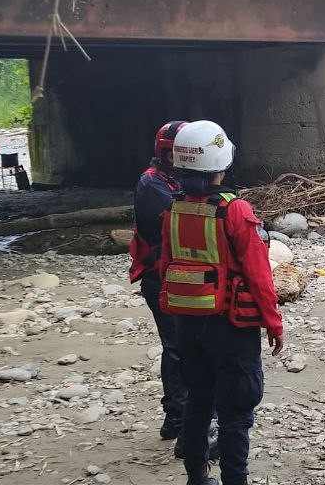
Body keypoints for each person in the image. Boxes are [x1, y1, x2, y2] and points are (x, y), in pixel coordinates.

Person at [160, 120, 285, 485]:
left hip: (189, 323)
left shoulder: (173, 209)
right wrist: (274, 323)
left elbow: (165, 264)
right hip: (231, 327)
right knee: (234, 413)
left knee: (199, 400)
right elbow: (259, 275)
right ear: (220, 163)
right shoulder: (235, 211)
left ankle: (197, 478)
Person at [128, 121, 191, 450]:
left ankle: (180, 417)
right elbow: (180, 220)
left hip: (175, 275)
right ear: (168, 152)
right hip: (160, 277)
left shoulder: (174, 178)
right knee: (176, 347)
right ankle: (178, 418)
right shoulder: (153, 184)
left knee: (184, 346)